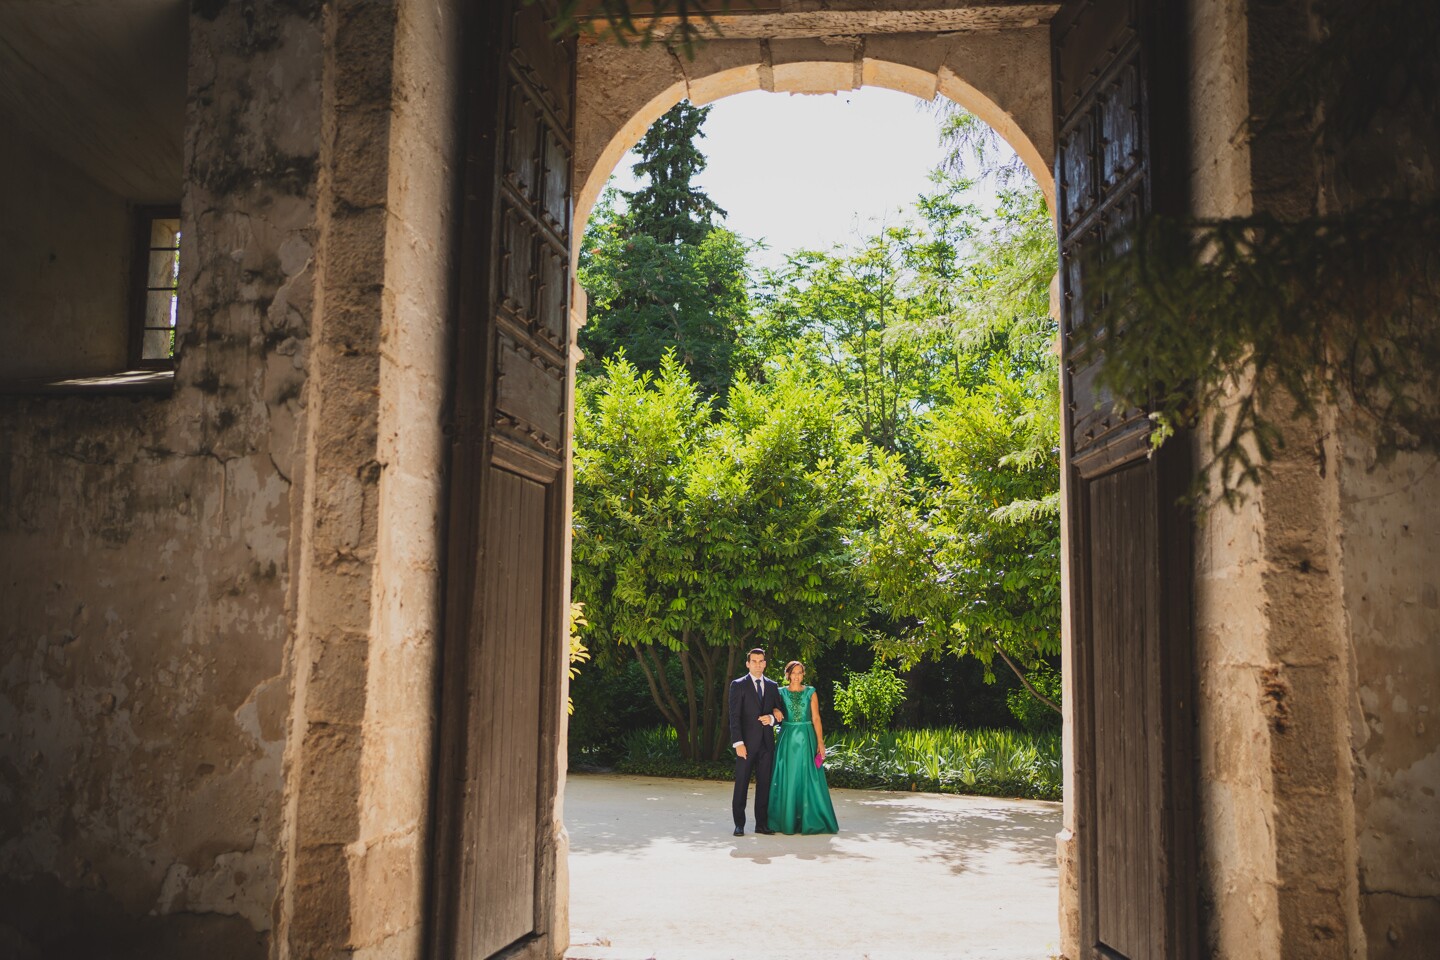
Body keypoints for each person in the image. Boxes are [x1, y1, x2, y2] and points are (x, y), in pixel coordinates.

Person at [767, 660, 839, 835]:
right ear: (788, 674)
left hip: (807, 738)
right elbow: (772, 711)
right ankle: (787, 820)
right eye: (794, 673)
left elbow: (816, 718)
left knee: (808, 777)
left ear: (803, 674)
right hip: (787, 738)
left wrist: (820, 742)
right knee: (789, 777)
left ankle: (810, 819)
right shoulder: (780, 692)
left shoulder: (810, 692)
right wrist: (775, 710)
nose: (797, 676)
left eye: (800, 672)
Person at [728, 648, 784, 836]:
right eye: (754, 661)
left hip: (766, 745)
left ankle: (761, 824)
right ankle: (739, 824)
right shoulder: (738, 685)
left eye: (761, 661)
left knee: (764, 785)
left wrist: (773, 717)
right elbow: (734, 717)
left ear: (765, 663)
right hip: (746, 745)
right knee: (741, 784)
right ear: (748, 664)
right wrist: (738, 743)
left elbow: (780, 712)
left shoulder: (772, 685)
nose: (758, 664)